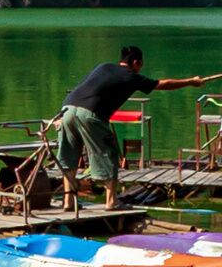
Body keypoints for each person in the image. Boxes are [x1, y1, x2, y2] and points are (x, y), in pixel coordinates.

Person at [48, 45, 195, 208]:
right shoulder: (132, 76)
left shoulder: (102, 67)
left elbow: (79, 88)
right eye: (140, 65)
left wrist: (59, 114)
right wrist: (191, 82)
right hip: (89, 113)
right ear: (136, 62)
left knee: (69, 156)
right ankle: (111, 202)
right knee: (108, 153)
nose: (140, 68)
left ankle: (68, 202)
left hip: (67, 110)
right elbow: (163, 84)